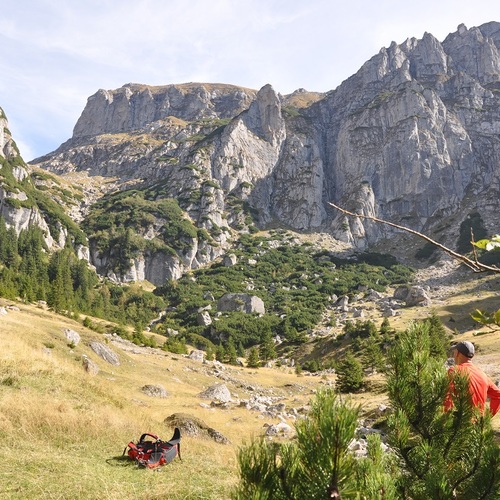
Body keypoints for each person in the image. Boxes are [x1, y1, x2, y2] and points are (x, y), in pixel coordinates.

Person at [444, 340, 500, 416]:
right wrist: (487, 418)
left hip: (461, 423)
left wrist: (445, 419)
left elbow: (447, 397)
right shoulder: (482, 374)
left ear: (457, 353)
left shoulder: (454, 371)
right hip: (478, 425)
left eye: (454, 352)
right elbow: (498, 395)